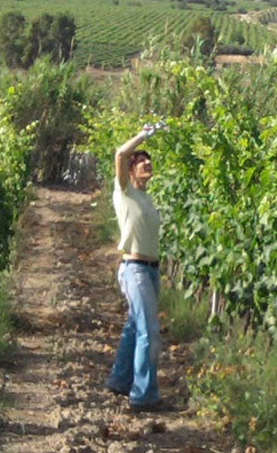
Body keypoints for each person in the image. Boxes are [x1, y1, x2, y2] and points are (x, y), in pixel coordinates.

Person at [105, 120, 167, 410]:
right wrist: (143, 135)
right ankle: (144, 395)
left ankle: (119, 380)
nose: (145, 163)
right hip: (135, 270)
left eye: (148, 160)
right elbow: (119, 154)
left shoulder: (146, 198)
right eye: (140, 161)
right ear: (130, 171)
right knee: (149, 332)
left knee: (134, 327)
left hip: (151, 271)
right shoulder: (125, 193)